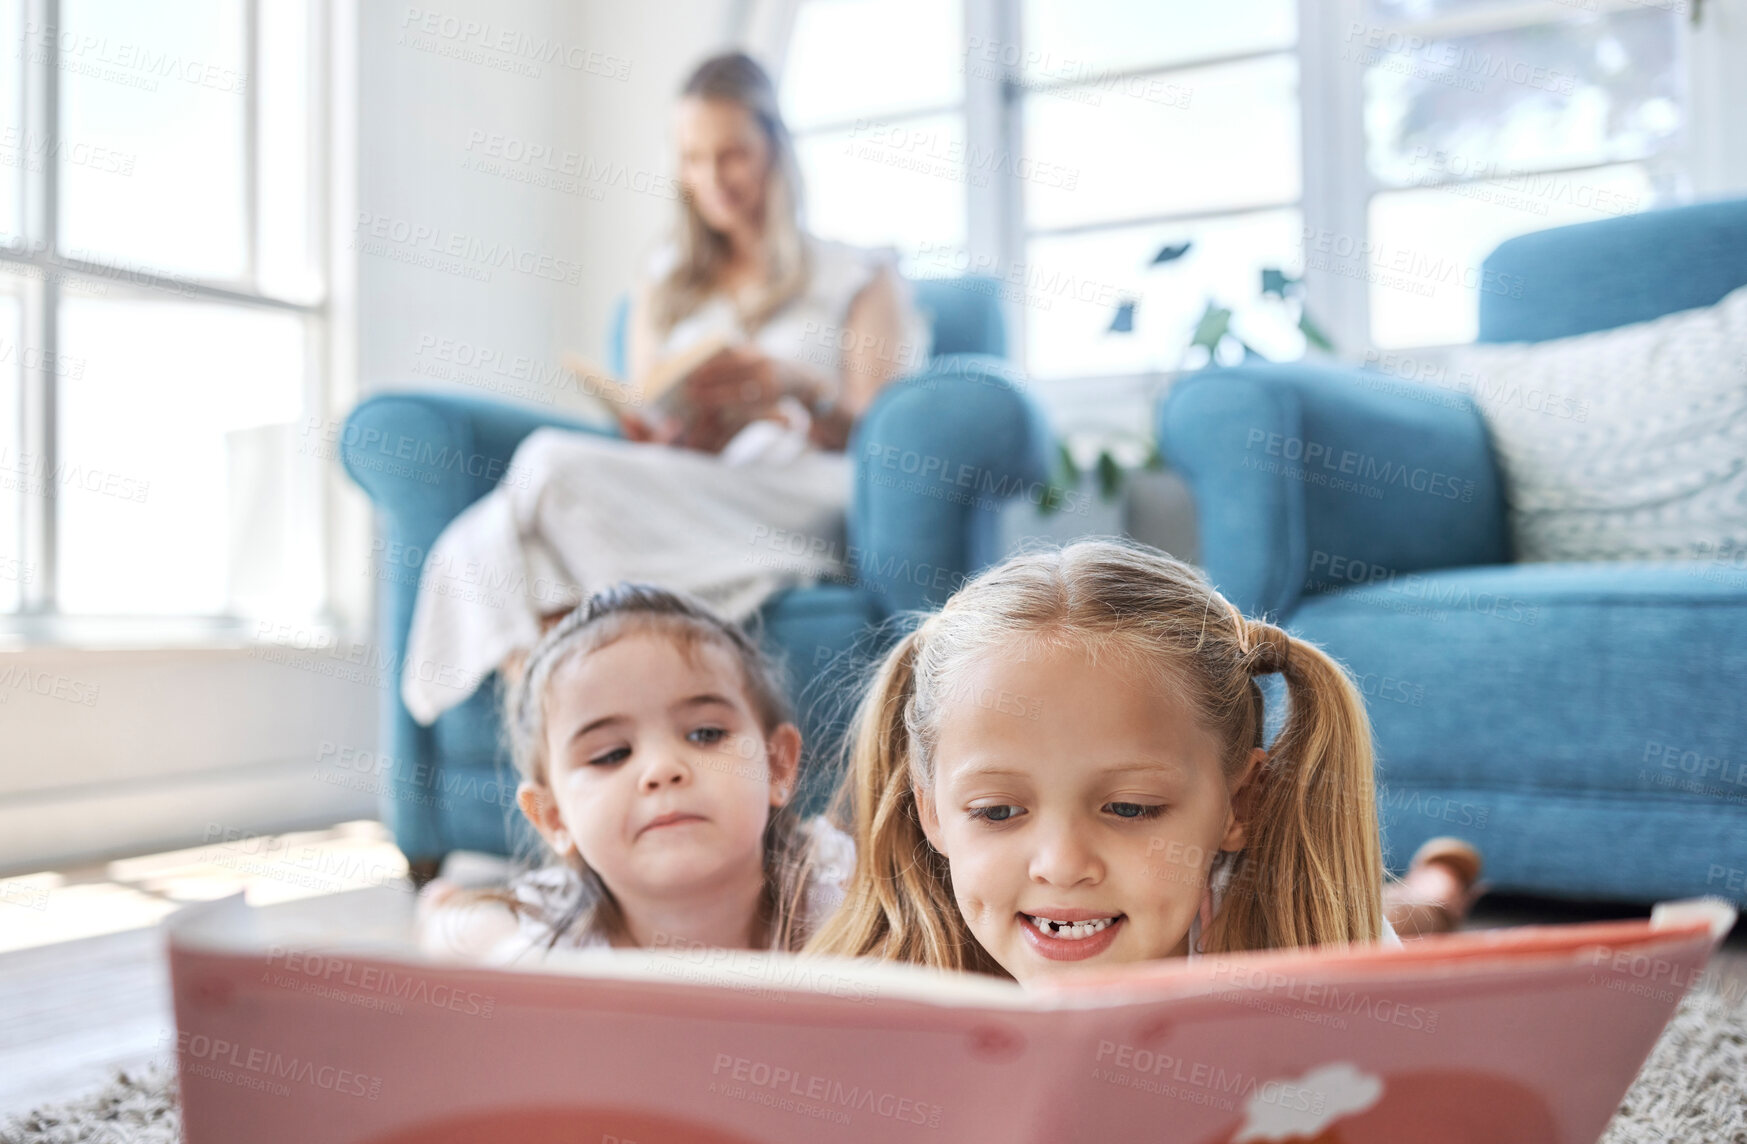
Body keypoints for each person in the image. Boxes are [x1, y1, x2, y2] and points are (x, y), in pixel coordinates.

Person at [399, 51, 929, 725]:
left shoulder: (859, 275)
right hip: (689, 486)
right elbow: (651, 409)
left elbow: (887, 440)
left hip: (804, 487)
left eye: (731, 154)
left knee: (537, 478)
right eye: (692, 158)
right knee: (524, 524)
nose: (713, 180)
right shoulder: (665, 282)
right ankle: (576, 748)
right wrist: (664, 430)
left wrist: (793, 387)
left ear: (775, 146)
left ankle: (551, 741)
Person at [803, 538, 1482, 981]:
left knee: (1398, 922)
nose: (1062, 865)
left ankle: (1436, 892)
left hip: (1262, 911)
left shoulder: (1322, 964)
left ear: (1240, 803)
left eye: (1129, 808)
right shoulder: (882, 970)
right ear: (932, 811)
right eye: (997, 811)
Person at [416, 583, 854, 963]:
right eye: (610, 755)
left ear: (777, 765)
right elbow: (452, 936)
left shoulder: (840, 892)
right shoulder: (548, 942)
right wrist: (442, 914)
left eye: (705, 733)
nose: (662, 770)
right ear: (554, 818)